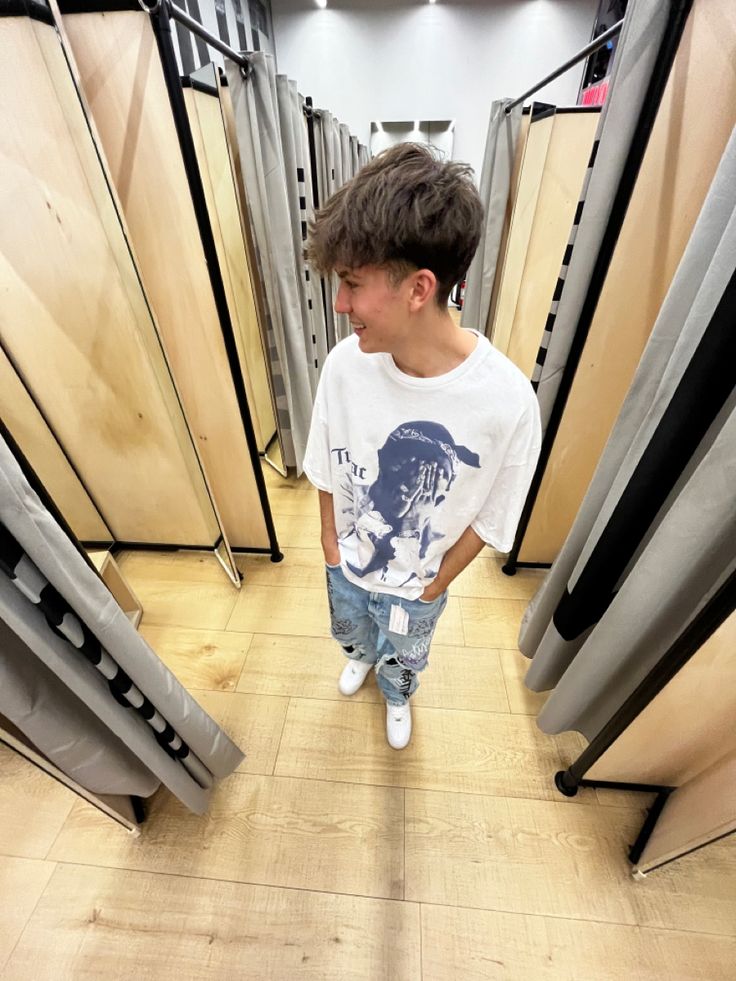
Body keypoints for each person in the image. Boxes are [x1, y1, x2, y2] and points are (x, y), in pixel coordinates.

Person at [303, 142, 541, 750]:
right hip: (346, 566)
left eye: (352, 284)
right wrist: (332, 545)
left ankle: (397, 690)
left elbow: (492, 519)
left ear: (418, 288)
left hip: (421, 587)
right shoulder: (344, 368)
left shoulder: (506, 402)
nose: (340, 304)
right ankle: (360, 656)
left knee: (405, 653)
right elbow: (328, 463)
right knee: (351, 629)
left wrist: (433, 584)